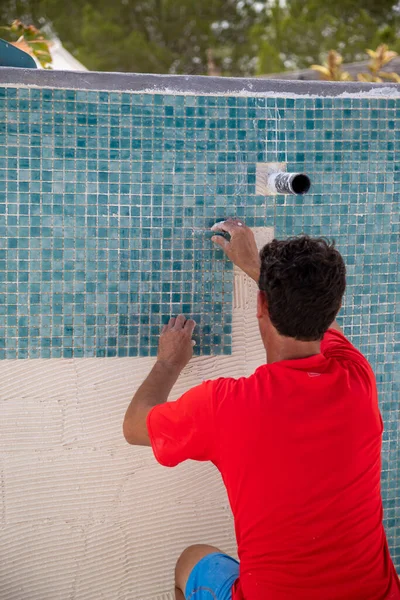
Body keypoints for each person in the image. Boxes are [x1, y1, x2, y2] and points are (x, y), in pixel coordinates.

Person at [123, 218, 400, 600]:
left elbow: (134, 426)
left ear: (261, 306)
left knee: (191, 560)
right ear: (333, 308)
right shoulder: (356, 378)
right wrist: (259, 273)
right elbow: (319, 322)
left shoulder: (225, 406)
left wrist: (169, 364)